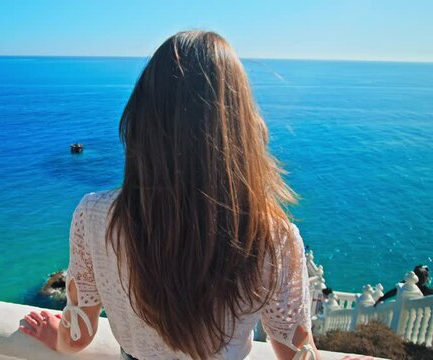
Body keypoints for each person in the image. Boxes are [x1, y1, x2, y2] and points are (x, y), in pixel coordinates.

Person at [20, 31, 318, 360]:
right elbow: (298, 354)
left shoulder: (93, 217)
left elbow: (78, 335)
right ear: (240, 128)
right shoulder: (273, 238)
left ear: (142, 120)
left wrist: (54, 337)